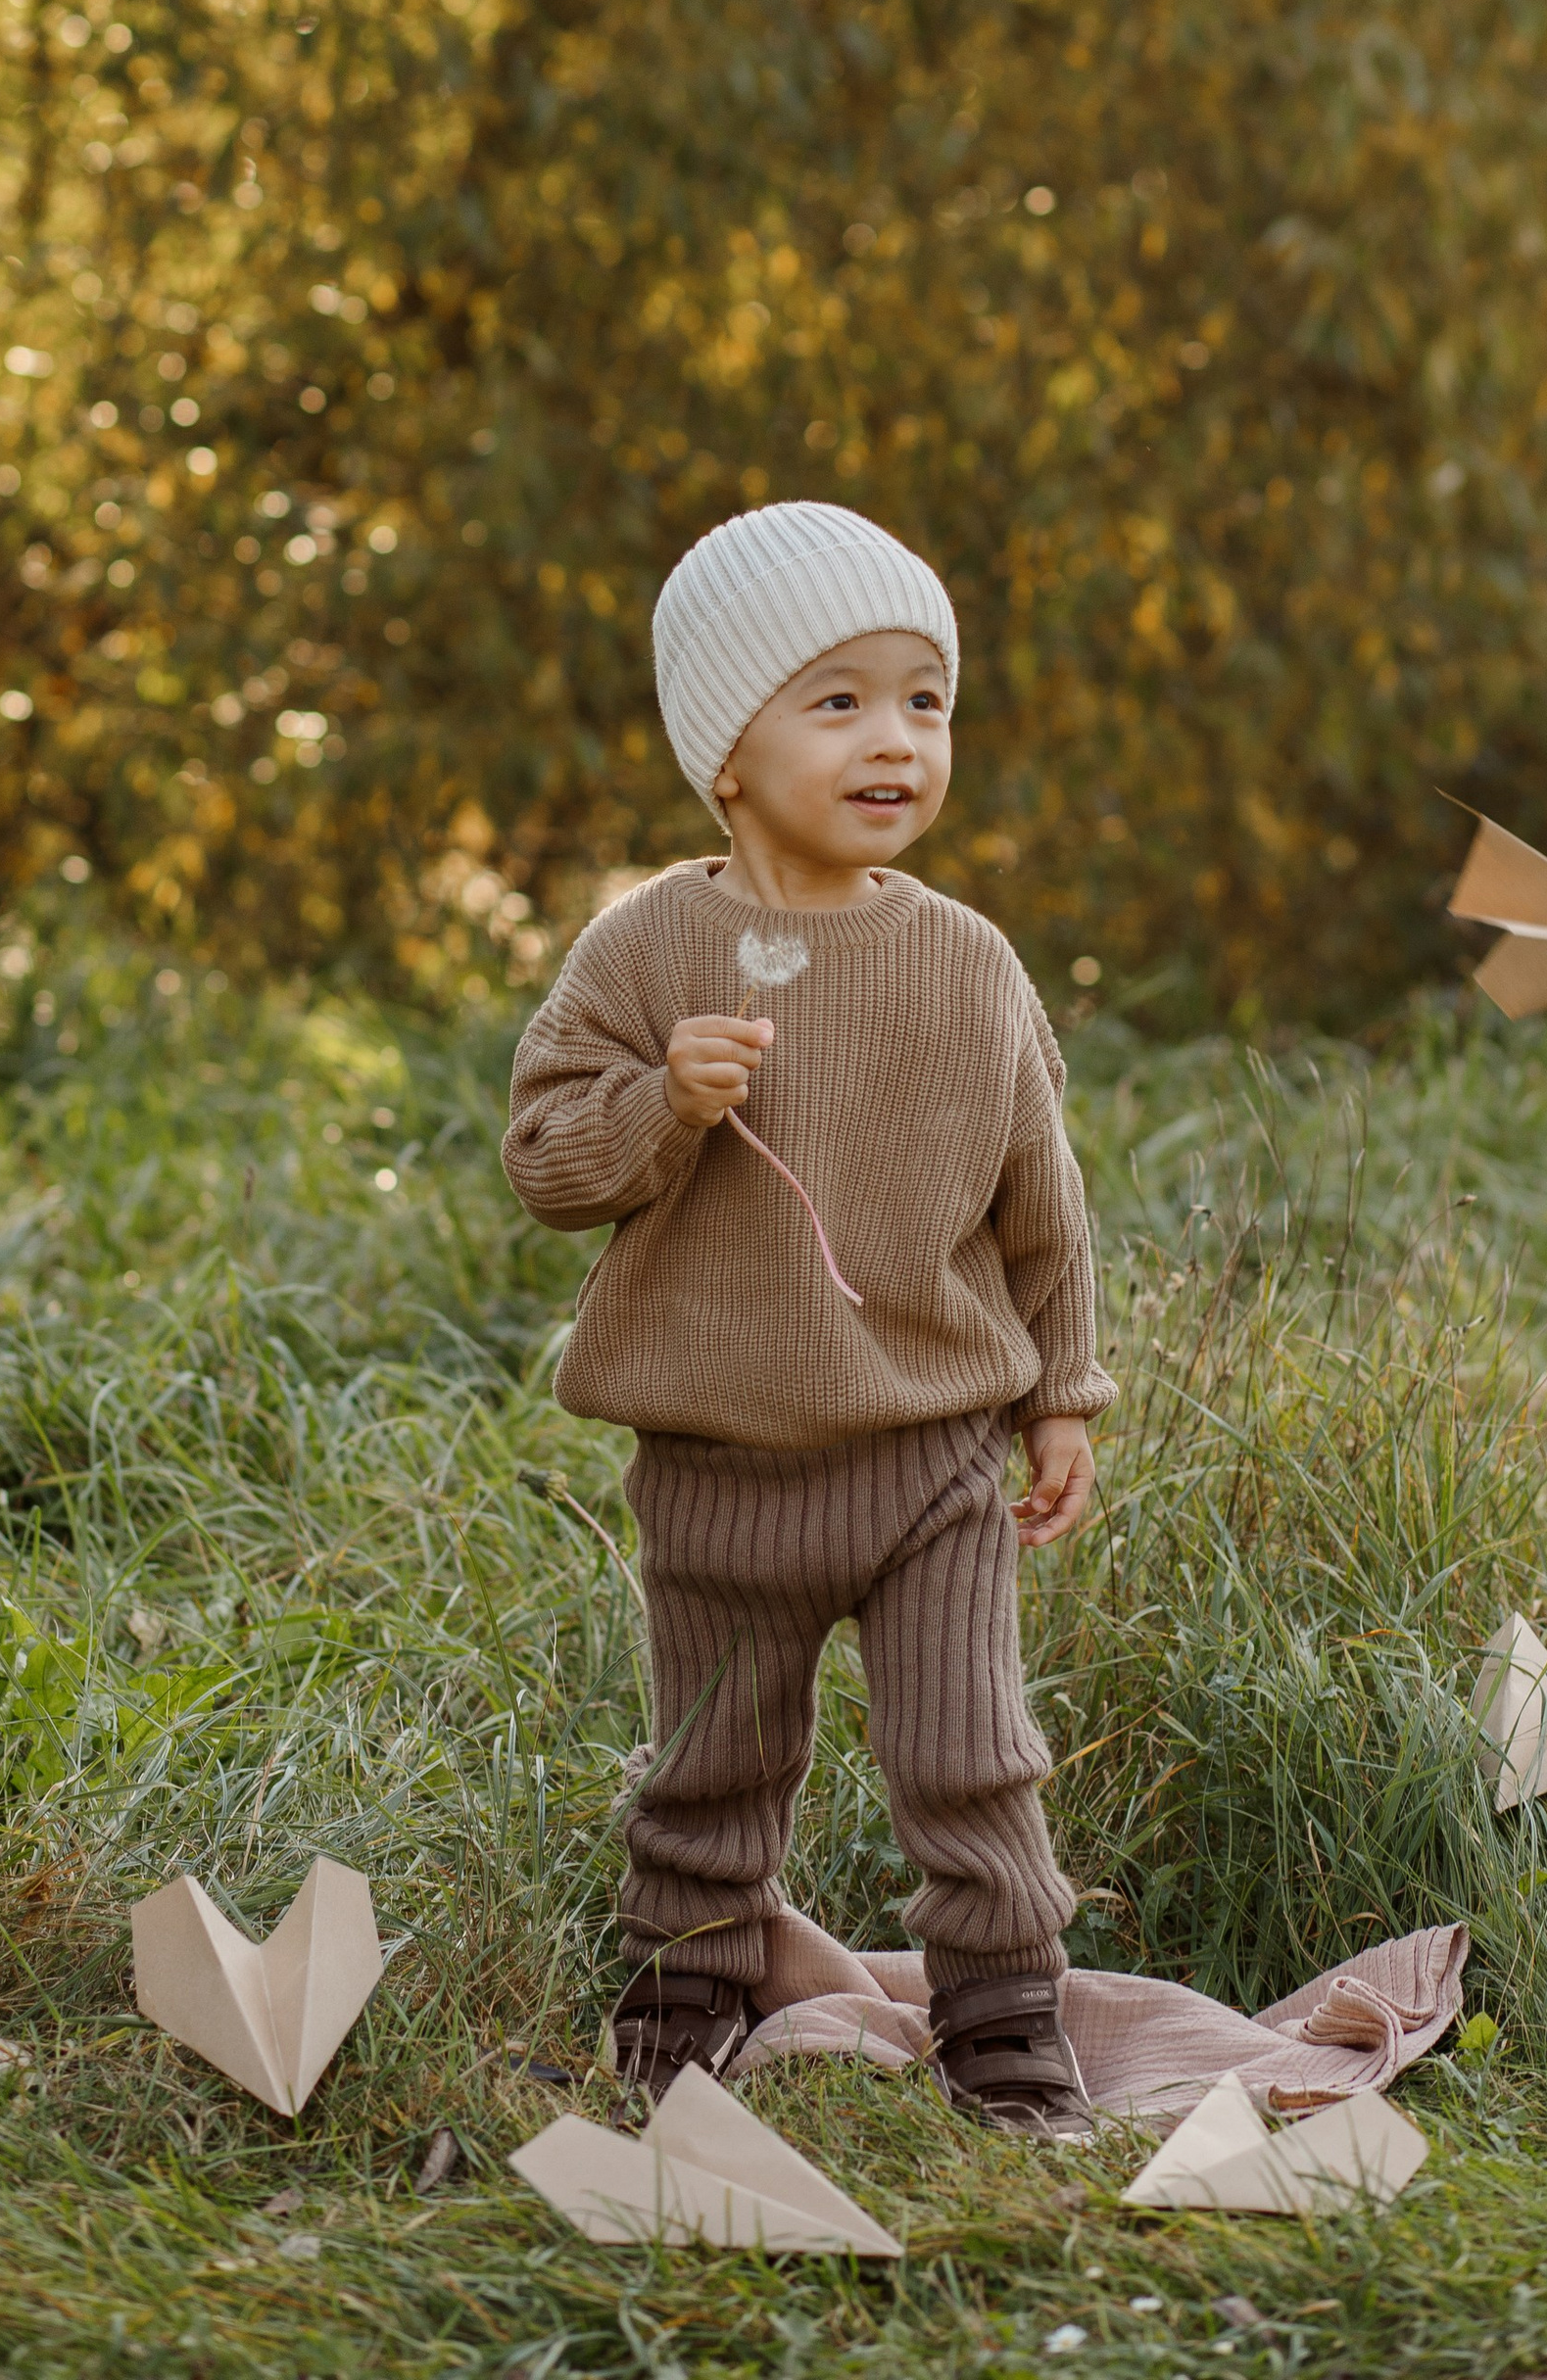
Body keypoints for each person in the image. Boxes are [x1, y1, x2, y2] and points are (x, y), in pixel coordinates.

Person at [504, 500, 1114, 2139]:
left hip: (928, 1457)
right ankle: (679, 2010)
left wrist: (1062, 1395)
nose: (896, 739)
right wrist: (660, 1102)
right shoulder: (649, 949)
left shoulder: (967, 963)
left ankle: (1005, 2031)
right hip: (718, 1467)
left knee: (973, 1761)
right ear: (726, 750)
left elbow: (1041, 1207)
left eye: (925, 698)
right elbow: (548, 1163)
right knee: (708, 1774)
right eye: (835, 700)